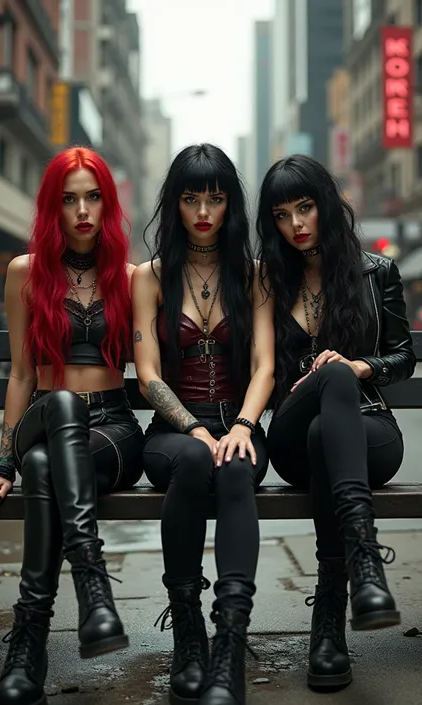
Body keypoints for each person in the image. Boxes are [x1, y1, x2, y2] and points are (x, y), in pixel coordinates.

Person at [0, 147, 144, 705]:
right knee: (58, 412)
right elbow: (22, 374)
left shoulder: (131, 277)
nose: (82, 210)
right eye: (68, 200)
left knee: (43, 467)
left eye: (93, 197)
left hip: (113, 430)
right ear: (52, 208)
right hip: (45, 415)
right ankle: (93, 585)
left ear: (108, 204)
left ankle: (28, 644)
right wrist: (1, 463)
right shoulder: (26, 273)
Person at [256, 154, 415, 691]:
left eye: (306, 208)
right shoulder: (268, 281)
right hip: (291, 437)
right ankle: (364, 563)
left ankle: (329, 623)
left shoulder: (377, 272)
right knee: (327, 388)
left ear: (328, 204)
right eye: (282, 214)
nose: (297, 224)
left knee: (337, 396)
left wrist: (358, 365)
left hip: (368, 431)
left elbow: (403, 356)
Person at [132, 144, 275, 705]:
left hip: (237, 421)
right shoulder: (151, 277)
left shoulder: (254, 274)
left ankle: (230, 644)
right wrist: (194, 428)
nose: (203, 211)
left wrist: (242, 425)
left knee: (237, 467)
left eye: (215, 198)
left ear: (229, 205)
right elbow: (146, 376)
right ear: (175, 204)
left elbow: (264, 364)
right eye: (191, 198)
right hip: (173, 433)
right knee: (196, 458)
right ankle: (189, 632)